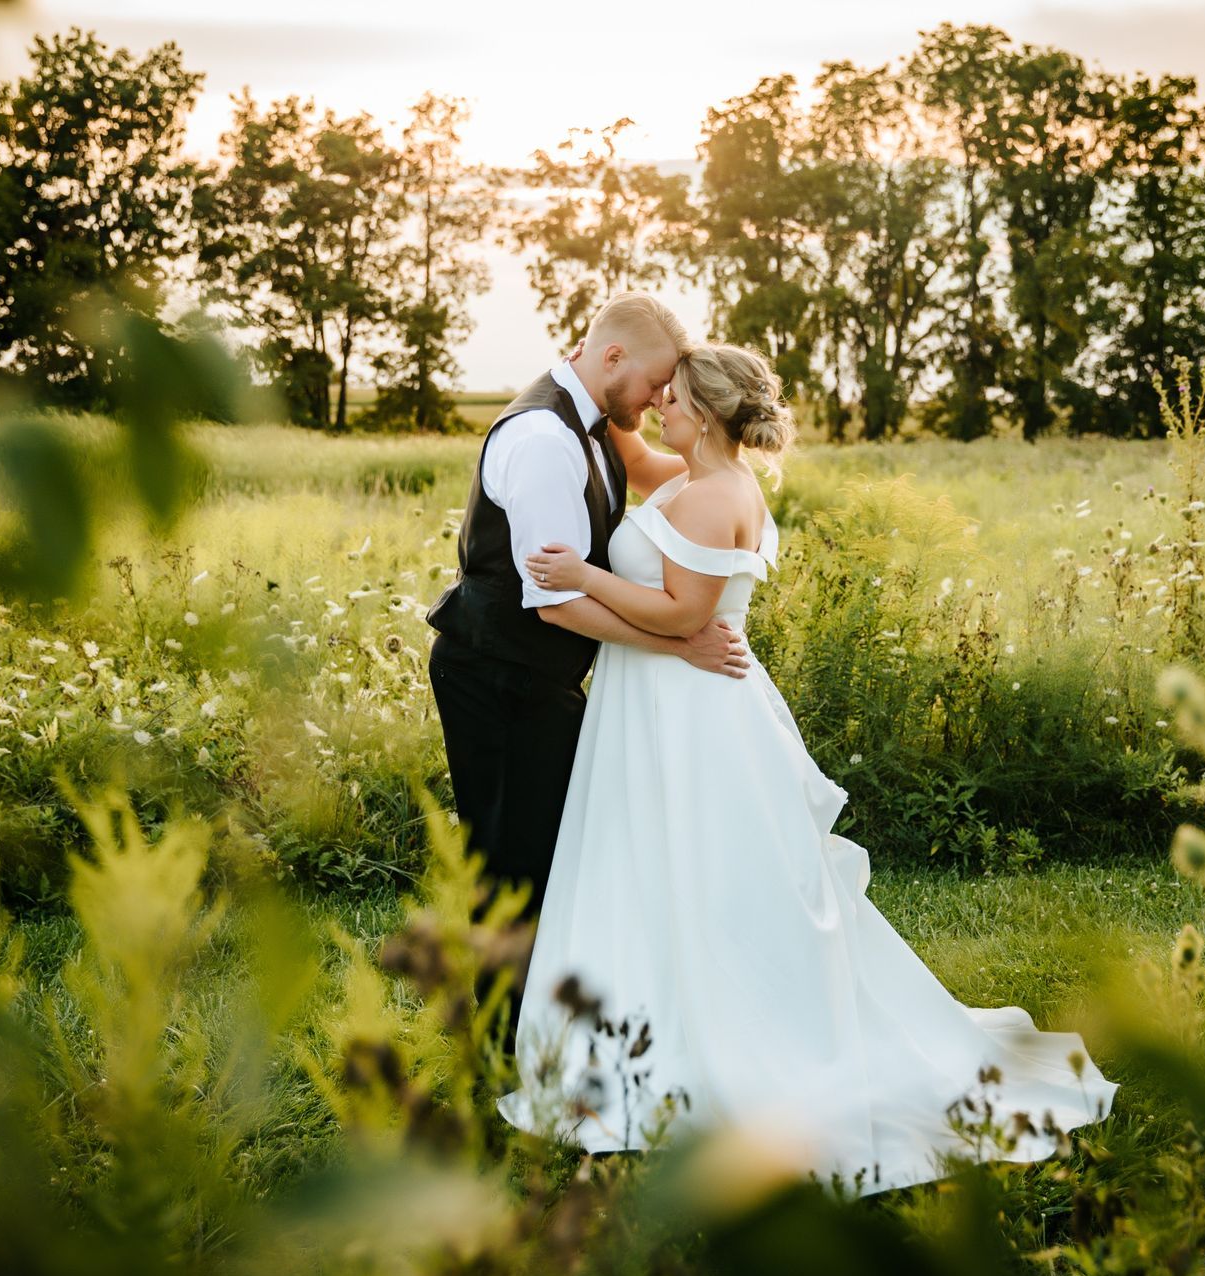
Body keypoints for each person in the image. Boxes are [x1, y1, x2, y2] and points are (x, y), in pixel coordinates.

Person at [495, 342, 1120, 1196]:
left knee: (708, 879)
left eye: (671, 398)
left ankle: (723, 1041)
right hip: (651, 707)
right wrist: (584, 375)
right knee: (646, 869)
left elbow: (685, 612)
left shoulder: (719, 496)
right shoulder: (689, 473)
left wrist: (584, 575)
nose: (658, 409)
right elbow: (622, 439)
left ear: (705, 417)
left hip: (692, 711)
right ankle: (638, 1029)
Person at [424, 293, 751, 1031]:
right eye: (655, 384)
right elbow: (555, 602)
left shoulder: (601, 425)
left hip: (540, 677)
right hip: (497, 672)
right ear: (613, 360)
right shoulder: (544, 437)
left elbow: (679, 474)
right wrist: (680, 643)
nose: (659, 399)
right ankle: (509, 1044)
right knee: (511, 862)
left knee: (551, 855)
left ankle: (547, 1025)